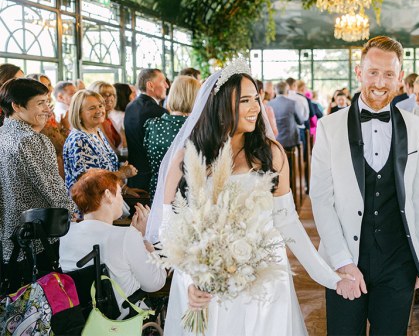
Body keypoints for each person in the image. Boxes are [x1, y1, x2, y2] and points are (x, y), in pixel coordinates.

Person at [146, 60, 350, 335]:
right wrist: (190, 280)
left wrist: (328, 276)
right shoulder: (186, 158)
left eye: (256, 98)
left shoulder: (271, 154)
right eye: (245, 100)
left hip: (264, 283)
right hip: (207, 285)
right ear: (220, 106)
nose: (257, 108)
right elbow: (169, 228)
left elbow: (288, 222)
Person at [311, 36, 419, 335]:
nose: (380, 81)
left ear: (400, 78)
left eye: (389, 74)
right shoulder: (329, 128)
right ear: (359, 72)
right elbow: (321, 199)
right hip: (346, 258)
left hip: (399, 260)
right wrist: (342, 262)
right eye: (373, 72)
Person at [60, 169, 166, 318]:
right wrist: (146, 242)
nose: (122, 200)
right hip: (123, 318)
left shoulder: (66, 234)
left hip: (81, 319)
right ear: (108, 195)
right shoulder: (125, 236)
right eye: (120, 194)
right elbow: (155, 283)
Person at [0, 78, 75, 288]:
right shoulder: (30, 139)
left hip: (10, 236)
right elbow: (52, 187)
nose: (47, 108)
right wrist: (75, 214)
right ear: (16, 106)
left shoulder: (3, 134)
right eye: (40, 102)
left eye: (47, 101)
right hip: (37, 238)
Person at [63, 90, 140, 199]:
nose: (99, 110)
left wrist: (125, 189)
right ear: (79, 113)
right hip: (89, 207)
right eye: (92, 108)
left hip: (105, 201)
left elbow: (106, 170)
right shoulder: (79, 139)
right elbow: (88, 182)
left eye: (100, 105)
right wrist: (121, 174)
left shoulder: (96, 131)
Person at [144, 75, 200, 197]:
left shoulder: (153, 125)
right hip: (187, 193)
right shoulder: (198, 128)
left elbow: (147, 155)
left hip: (159, 188)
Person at [124, 68, 169, 190]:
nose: (167, 85)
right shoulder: (158, 112)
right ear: (150, 85)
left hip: (134, 176)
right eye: (163, 81)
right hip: (150, 177)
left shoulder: (130, 106)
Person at [268, 81, 303, 149]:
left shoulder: (269, 104)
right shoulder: (293, 103)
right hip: (291, 142)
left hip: (274, 141)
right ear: (287, 91)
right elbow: (300, 121)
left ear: (275, 91)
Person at [88, 81, 121, 152]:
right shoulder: (96, 122)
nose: (110, 98)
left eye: (112, 94)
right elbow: (110, 149)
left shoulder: (109, 118)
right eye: (104, 95)